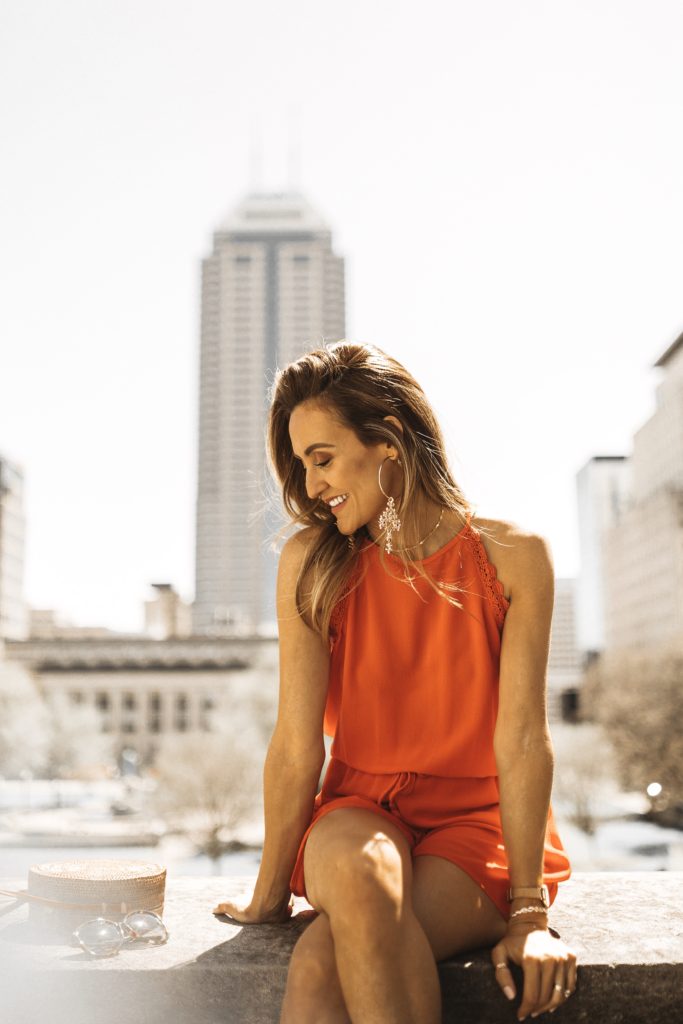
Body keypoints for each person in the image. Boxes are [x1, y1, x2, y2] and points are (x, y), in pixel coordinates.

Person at [212, 341, 577, 1023]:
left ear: (388, 439)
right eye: (300, 466)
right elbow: (296, 744)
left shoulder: (514, 557)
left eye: (320, 458)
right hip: (356, 811)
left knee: (320, 963)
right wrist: (267, 896)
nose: (311, 485)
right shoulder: (312, 564)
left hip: (477, 825)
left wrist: (527, 914)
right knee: (356, 873)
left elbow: (525, 738)